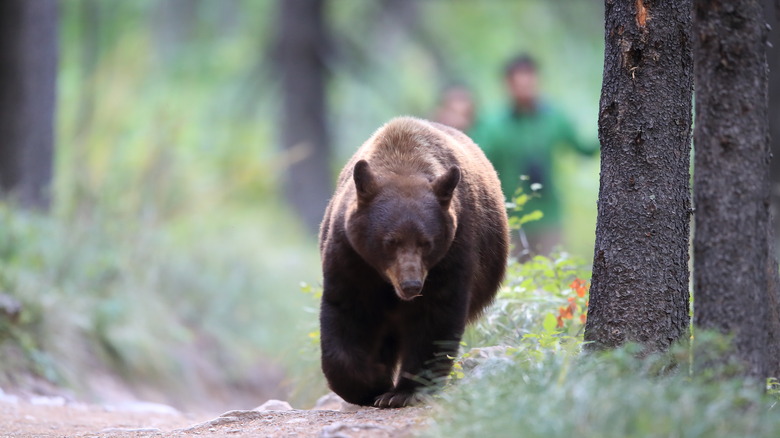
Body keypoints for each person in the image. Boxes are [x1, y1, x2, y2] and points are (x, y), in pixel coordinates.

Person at [470, 54, 596, 257]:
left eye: (528, 80)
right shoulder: (493, 125)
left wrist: (613, 126)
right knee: (513, 282)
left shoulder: (555, 118)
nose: (524, 88)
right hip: (508, 219)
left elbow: (584, 149)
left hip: (549, 217)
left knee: (552, 276)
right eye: (517, 82)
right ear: (507, 84)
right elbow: (474, 161)